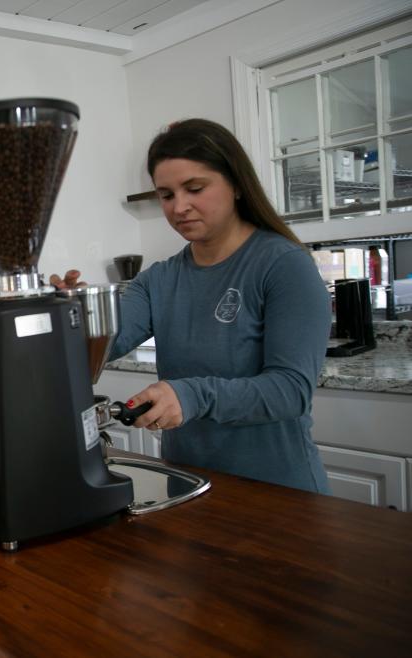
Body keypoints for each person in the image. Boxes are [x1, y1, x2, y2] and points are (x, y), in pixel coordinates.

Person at [53, 119, 331, 493]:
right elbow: (105, 342)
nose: (179, 207)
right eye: (166, 195)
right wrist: (75, 314)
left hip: (277, 493)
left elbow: (290, 391)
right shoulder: (159, 279)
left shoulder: (283, 265)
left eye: (194, 188)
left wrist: (191, 395)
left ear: (235, 184)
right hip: (188, 485)